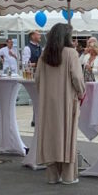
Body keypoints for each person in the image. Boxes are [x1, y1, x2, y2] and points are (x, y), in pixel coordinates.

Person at [34, 22, 85, 185]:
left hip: (47, 101)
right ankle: (68, 175)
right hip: (66, 99)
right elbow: (77, 77)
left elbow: (37, 79)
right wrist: (81, 92)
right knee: (67, 134)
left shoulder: (44, 55)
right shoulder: (71, 53)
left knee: (50, 135)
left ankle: (52, 175)